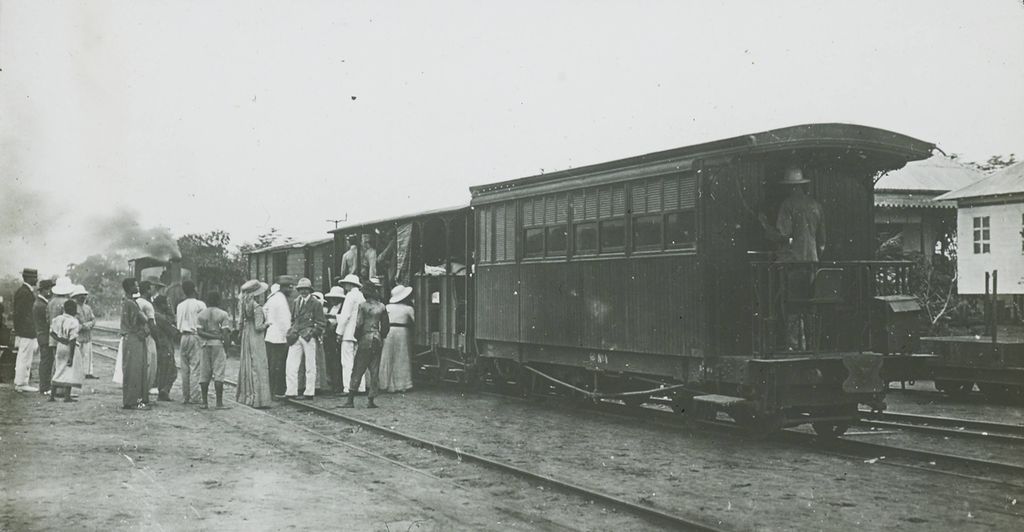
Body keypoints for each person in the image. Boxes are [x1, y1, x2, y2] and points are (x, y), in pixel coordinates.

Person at [774, 165, 826, 350]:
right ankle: (812, 345)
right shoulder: (816, 205)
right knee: (810, 304)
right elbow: (822, 240)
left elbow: (784, 233)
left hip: (793, 263)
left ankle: (794, 345)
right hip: (812, 261)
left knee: (791, 305)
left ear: (791, 186)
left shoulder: (787, 205)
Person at [341, 278, 390, 408]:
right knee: (374, 370)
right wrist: (381, 335)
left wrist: (358, 337)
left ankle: (350, 399)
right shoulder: (381, 307)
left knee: (358, 368)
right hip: (377, 338)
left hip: (365, 338)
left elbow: (359, 323)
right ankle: (371, 400)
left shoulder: (363, 306)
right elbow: (385, 327)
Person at [285, 278, 326, 399]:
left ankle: (309, 392)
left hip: (308, 336)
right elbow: (293, 319)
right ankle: (291, 391)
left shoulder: (316, 303)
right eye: (301, 289)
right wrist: (293, 330)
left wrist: (312, 333)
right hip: (296, 335)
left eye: (306, 289)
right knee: (291, 364)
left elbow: (321, 323)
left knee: (310, 365)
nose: (303, 291)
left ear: (310, 290)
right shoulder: (296, 301)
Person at [237, 280, 272, 408]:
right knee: (258, 364)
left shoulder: (243, 305)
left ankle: (246, 394)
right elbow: (258, 327)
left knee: (248, 362)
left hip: (246, 334)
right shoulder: (257, 307)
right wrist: (267, 324)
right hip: (256, 337)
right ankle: (258, 398)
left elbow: (241, 323)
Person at [196, 292, 231, 409]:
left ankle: (204, 402)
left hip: (205, 344)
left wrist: (209, 335)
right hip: (218, 345)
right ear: (218, 301)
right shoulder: (223, 314)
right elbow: (226, 334)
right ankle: (219, 403)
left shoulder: (201, 314)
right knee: (219, 373)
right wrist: (226, 348)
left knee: (204, 373)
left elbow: (200, 332)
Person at [120, 278, 150, 410]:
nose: (138, 287)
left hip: (131, 338)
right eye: (136, 285)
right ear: (130, 287)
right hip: (134, 338)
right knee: (134, 370)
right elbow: (138, 320)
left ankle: (132, 400)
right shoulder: (131, 303)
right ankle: (133, 401)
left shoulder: (128, 302)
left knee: (132, 369)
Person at [176, 280, 206, 403]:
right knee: (195, 367)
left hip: (183, 336)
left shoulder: (180, 305)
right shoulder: (200, 305)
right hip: (195, 336)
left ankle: (185, 396)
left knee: (185, 368)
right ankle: (195, 396)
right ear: (194, 289)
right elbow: (204, 323)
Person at [380, 284, 414, 393]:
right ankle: (402, 384)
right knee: (402, 356)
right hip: (402, 332)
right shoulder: (408, 309)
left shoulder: (387, 307)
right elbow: (415, 321)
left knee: (387, 356)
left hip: (389, 331)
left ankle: (385, 384)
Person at [335, 274, 366, 394]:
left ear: (349, 284)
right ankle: (361, 387)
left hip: (348, 333)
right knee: (359, 361)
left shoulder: (350, 296)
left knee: (347, 361)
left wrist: (339, 332)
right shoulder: (361, 296)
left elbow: (345, 316)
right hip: (359, 332)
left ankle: (348, 388)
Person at [264, 276, 294, 397]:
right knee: (279, 366)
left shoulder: (272, 298)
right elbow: (285, 321)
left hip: (271, 335)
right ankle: (277, 391)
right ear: (284, 288)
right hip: (279, 338)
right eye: (290, 288)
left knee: (272, 365)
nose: (291, 290)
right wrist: (289, 335)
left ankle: (272, 390)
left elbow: (264, 310)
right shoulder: (281, 300)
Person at [49, 299, 84, 403]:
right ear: (74, 310)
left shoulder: (57, 319)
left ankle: (52, 396)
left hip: (60, 346)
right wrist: (71, 356)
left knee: (58, 368)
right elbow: (72, 340)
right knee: (69, 371)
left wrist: (60, 340)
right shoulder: (74, 321)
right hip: (69, 347)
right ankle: (67, 396)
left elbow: (52, 333)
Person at [12, 268, 40, 393]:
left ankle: (22, 382)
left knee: (24, 356)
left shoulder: (23, 291)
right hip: (26, 331)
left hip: (24, 330)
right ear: (28, 278)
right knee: (24, 357)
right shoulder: (25, 293)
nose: (36, 279)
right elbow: (23, 314)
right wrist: (30, 328)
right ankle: (21, 383)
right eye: (35, 277)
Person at [44, 277, 73, 395]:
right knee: (64, 363)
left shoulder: (50, 302)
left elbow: (47, 319)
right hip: (63, 338)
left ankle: (55, 388)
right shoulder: (67, 303)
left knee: (56, 362)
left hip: (53, 336)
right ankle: (62, 389)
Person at [152, 295, 180, 401]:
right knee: (172, 371)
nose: (168, 306)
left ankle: (162, 391)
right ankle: (164, 391)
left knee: (162, 370)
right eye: (166, 304)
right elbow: (172, 329)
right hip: (165, 345)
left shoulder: (156, 315)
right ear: (162, 305)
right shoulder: (159, 317)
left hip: (159, 345)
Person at [70, 285, 98, 379]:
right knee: (77, 355)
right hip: (78, 335)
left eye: (84, 295)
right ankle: (77, 372)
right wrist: (82, 326)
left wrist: (90, 324)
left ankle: (88, 372)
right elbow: (72, 321)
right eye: (81, 295)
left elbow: (93, 319)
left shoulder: (88, 308)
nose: (83, 297)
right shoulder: (73, 307)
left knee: (87, 354)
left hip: (87, 335)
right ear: (76, 296)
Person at [137, 280, 159, 395]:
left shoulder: (135, 302)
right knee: (150, 364)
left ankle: (140, 392)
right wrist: (157, 339)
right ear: (147, 290)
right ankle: (144, 393)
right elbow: (152, 324)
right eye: (151, 288)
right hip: (148, 337)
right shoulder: (147, 304)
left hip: (137, 336)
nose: (152, 291)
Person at [322, 286, 346, 394]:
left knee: (337, 361)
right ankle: (332, 383)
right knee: (330, 360)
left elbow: (341, 320)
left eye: (335, 298)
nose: (333, 300)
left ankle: (338, 385)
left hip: (337, 335)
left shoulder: (343, 308)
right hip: (329, 336)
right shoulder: (332, 307)